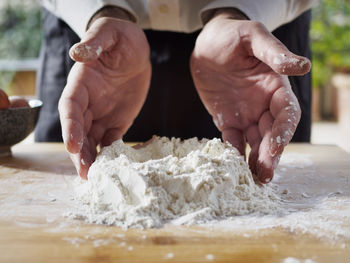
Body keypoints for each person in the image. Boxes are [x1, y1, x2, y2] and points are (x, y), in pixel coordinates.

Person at [37, 1, 315, 183]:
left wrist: (240, 10)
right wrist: (100, 10)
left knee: (258, 178)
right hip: (95, 43)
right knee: (76, 170)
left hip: (248, 47)